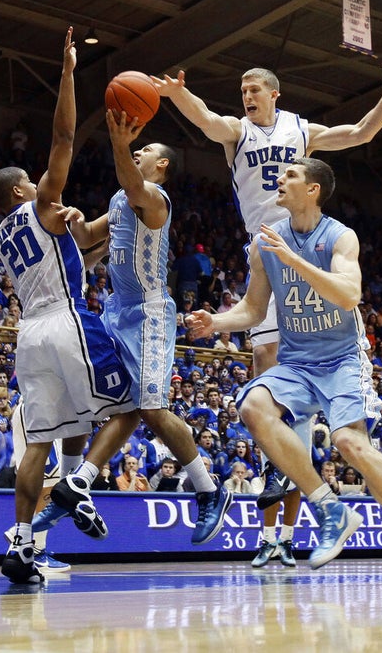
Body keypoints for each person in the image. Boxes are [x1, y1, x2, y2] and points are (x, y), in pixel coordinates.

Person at [154, 53, 382, 566]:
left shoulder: (303, 132)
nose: (247, 95)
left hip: (309, 245)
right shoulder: (236, 132)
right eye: (242, 89)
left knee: (311, 357)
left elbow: (361, 132)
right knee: (265, 364)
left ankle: (301, 465)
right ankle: (286, 467)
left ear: (275, 94)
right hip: (267, 252)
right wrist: (177, 95)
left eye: (254, 88)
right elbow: (207, 121)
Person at [186, 158, 382, 583]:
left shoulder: (339, 237)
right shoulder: (264, 244)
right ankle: (329, 506)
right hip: (297, 362)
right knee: (253, 405)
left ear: (313, 189)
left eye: (291, 175)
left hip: (343, 358)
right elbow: (254, 310)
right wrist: (215, 322)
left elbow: (350, 294)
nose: (280, 179)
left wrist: (295, 261)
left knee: (351, 444)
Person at [0, 28, 145, 585]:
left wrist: (109, 218)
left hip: (29, 337)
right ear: (18, 192)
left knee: (39, 441)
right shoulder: (40, 207)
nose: (38, 183)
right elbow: (61, 137)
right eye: (30, 182)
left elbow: (80, 248)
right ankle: (80, 484)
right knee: (137, 402)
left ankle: (24, 544)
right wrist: (68, 73)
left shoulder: (5, 237)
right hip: (67, 320)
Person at [65, 109, 232, 552]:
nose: (139, 151)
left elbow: (132, 183)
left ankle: (209, 489)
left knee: (153, 410)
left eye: (147, 150)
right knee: (116, 402)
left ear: (162, 166)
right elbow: (85, 239)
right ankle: (77, 482)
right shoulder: (121, 200)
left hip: (150, 313)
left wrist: (119, 141)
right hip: (116, 310)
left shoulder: (154, 197)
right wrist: (76, 221)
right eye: (135, 148)